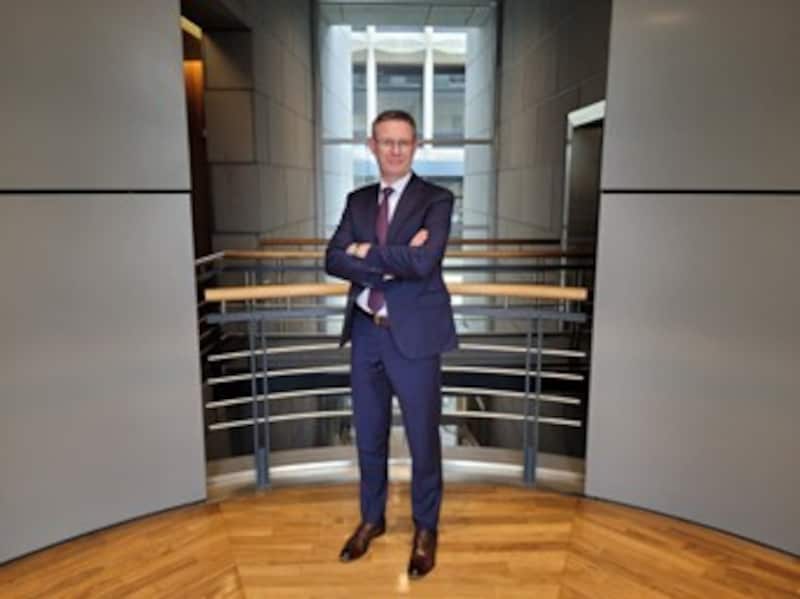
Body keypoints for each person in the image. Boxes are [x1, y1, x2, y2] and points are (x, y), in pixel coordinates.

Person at [324, 109, 457, 578]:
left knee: (423, 438)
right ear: (372, 146)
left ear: (416, 146)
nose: (396, 150)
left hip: (414, 337)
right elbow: (332, 259)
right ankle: (371, 519)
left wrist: (365, 254)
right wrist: (391, 260)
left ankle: (426, 528)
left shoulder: (437, 199)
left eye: (404, 142)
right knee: (369, 433)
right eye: (387, 141)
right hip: (366, 334)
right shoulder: (358, 201)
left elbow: (425, 262)